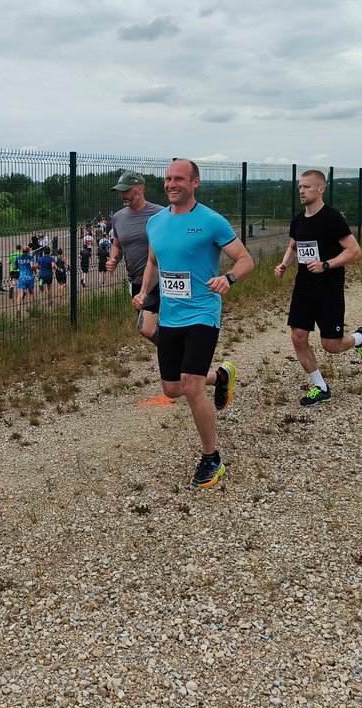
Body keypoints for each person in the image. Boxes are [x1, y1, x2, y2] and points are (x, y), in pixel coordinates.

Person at [134, 159, 254, 489]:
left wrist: (228, 278)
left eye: (180, 179)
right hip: (171, 316)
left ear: (195, 182)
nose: (172, 184)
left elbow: (245, 260)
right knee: (171, 389)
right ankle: (221, 376)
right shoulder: (155, 223)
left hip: (203, 312)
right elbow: (154, 260)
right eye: (168, 179)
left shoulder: (211, 221)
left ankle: (211, 457)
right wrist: (145, 292)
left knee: (190, 385)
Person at [274, 169, 362, 407]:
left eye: (307, 187)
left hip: (329, 291)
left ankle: (360, 338)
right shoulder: (298, 219)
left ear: (320, 189)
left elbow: (354, 251)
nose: (301, 190)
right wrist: (284, 264)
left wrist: (326, 265)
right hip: (303, 289)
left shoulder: (332, 218)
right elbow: (293, 245)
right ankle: (320, 386)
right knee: (298, 338)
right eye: (300, 187)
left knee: (331, 345)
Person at [107, 172, 165, 340]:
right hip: (135, 283)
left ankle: (178, 358)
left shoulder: (159, 214)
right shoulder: (118, 218)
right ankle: (180, 359)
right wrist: (113, 259)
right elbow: (117, 244)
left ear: (140, 188)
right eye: (120, 191)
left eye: (126, 190)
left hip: (158, 280)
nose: (122, 195)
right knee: (156, 328)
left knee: (146, 328)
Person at [15, 245, 36, 312]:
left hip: (22, 277)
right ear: (29, 251)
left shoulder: (18, 258)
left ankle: (18, 309)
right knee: (31, 292)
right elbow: (32, 266)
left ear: (22, 250)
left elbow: (16, 267)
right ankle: (29, 306)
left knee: (19, 294)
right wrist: (35, 270)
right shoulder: (30, 258)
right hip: (29, 277)